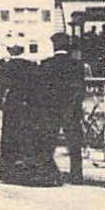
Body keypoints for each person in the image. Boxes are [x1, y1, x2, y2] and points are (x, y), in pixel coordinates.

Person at [37, 31, 87, 184]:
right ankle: (77, 174)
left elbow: (42, 90)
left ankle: (49, 173)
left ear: (54, 46)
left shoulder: (46, 64)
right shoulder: (77, 65)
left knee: (48, 140)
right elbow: (81, 89)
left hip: (51, 109)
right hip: (71, 108)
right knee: (74, 142)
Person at [0, 41, 41, 184]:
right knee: (27, 136)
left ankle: (9, 172)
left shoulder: (6, 67)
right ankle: (27, 170)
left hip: (13, 105)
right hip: (29, 105)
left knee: (10, 137)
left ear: (10, 51)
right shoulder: (31, 65)